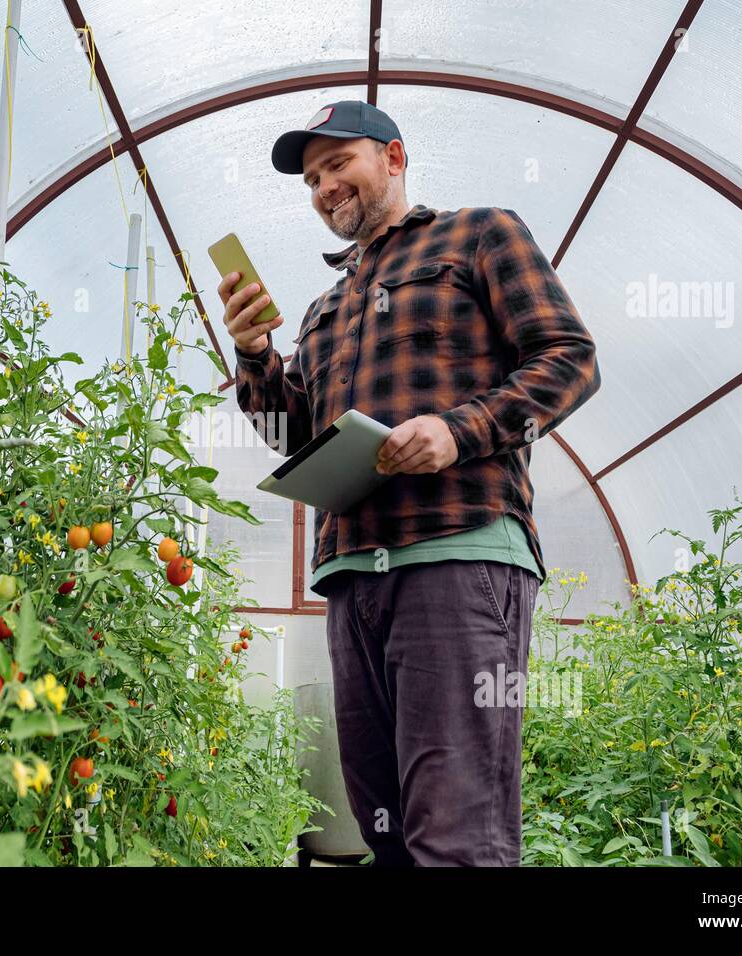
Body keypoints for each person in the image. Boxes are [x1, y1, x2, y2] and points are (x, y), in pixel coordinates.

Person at [218, 100, 601, 866]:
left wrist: (457, 431)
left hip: (454, 557)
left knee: (456, 832)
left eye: (339, 164)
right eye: (312, 178)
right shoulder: (325, 309)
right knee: (383, 826)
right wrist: (259, 356)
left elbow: (569, 360)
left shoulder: (479, 234)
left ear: (393, 157)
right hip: (353, 575)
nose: (325, 186)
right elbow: (294, 437)